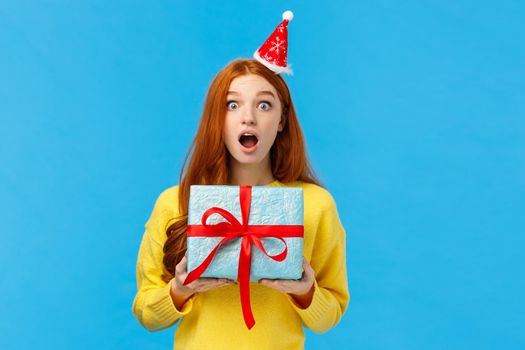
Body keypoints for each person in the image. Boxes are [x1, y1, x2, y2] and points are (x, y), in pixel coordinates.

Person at [132, 11, 349, 350]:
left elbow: (329, 316)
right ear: (216, 119)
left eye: (265, 105)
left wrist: (307, 292)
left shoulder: (315, 206)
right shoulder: (175, 203)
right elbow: (146, 314)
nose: (248, 117)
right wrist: (179, 290)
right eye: (232, 105)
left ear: (281, 121)